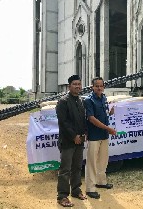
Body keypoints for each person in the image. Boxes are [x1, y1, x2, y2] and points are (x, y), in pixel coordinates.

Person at [56, 75, 87, 207]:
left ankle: (76, 190)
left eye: (79, 84)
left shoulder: (80, 100)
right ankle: (62, 196)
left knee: (77, 167)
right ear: (69, 86)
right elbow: (63, 122)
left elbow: (83, 119)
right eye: (75, 84)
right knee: (65, 170)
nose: (78, 86)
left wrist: (84, 133)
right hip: (68, 141)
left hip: (80, 140)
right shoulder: (63, 101)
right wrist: (74, 136)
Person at [84, 77, 116, 199]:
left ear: (103, 87)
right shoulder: (88, 100)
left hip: (104, 135)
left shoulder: (104, 98)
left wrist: (111, 112)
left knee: (103, 160)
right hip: (94, 136)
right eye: (96, 86)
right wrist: (108, 129)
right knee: (92, 162)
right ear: (92, 87)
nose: (99, 88)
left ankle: (101, 182)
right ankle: (90, 188)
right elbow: (91, 119)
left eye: (101, 86)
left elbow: (105, 113)